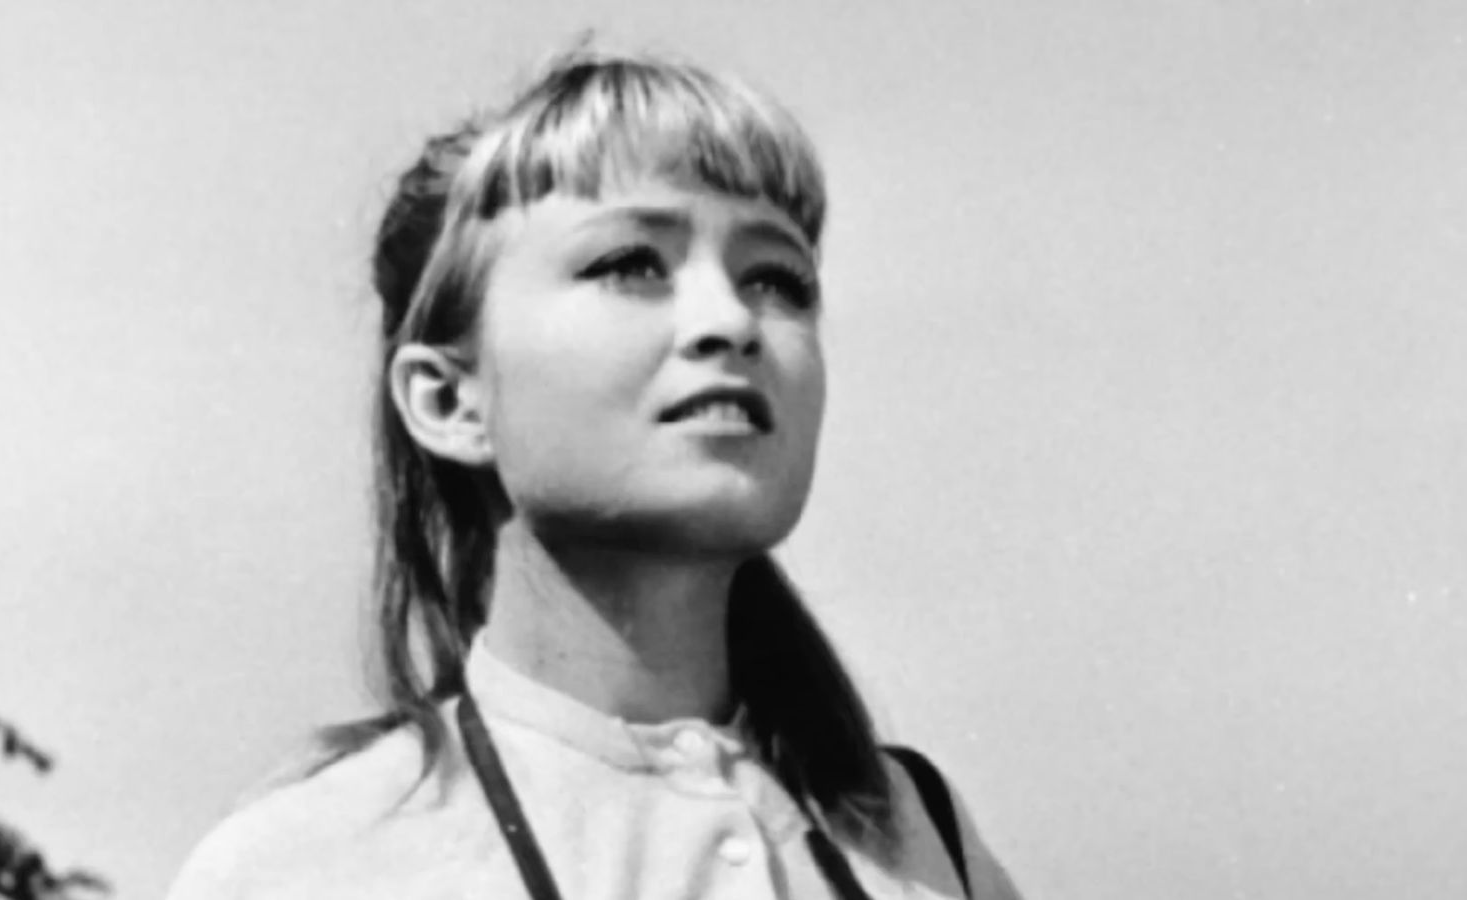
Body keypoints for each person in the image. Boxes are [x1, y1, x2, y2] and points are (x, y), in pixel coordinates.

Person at [165, 48, 1023, 900]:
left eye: (777, 279)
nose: (731, 321)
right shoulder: (304, 867)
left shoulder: (925, 840)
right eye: (632, 265)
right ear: (449, 400)